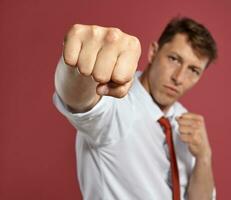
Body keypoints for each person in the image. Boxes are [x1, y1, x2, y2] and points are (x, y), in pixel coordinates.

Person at [53, 17, 218, 200]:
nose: (179, 77)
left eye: (193, 70)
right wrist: (77, 67)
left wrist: (204, 156)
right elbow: (78, 101)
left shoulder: (184, 121)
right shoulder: (115, 101)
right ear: (153, 52)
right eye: (174, 59)